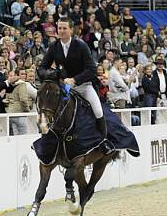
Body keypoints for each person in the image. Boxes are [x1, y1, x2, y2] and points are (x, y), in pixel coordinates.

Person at [39, 17, 113, 154]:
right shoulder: (53, 47)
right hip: (64, 88)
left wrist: (74, 80)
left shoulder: (81, 45)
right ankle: (49, 143)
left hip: (83, 86)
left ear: (71, 30)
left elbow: (91, 69)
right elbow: (41, 68)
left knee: (98, 110)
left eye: (64, 28)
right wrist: (53, 74)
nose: (61, 31)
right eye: (59, 28)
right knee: (51, 109)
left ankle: (104, 141)